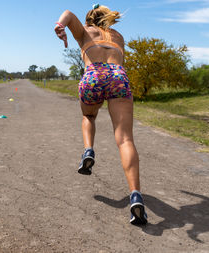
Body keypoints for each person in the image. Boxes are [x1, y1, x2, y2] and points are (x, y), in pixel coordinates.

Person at [54, 4, 147, 225]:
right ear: (109, 19)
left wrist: (60, 26)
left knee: (89, 117)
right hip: (118, 76)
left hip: (93, 75)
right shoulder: (118, 36)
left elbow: (67, 14)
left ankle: (88, 150)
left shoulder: (86, 31)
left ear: (89, 20)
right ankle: (135, 195)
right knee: (125, 139)